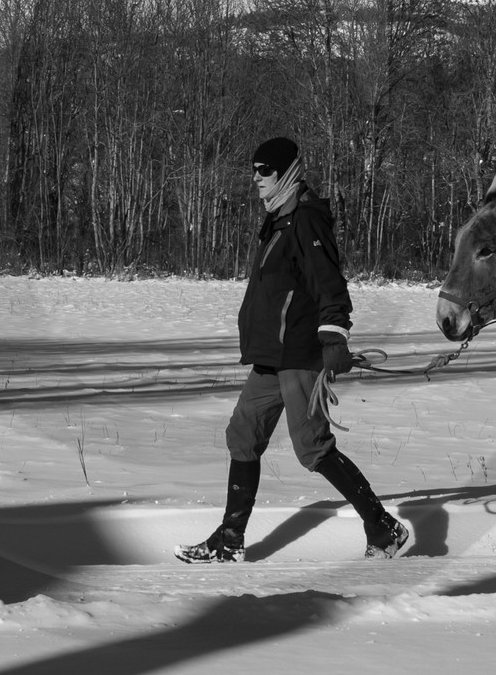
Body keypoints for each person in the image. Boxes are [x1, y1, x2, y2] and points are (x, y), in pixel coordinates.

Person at [177, 136, 412, 563]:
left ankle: (384, 527)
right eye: (254, 170)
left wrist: (335, 335)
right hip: (272, 354)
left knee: (312, 449)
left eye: (264, 170)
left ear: (286, 172)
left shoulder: (305, 220)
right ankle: (229, 541)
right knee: (242, 434)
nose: (257, 179)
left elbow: (329, 282)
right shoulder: (278, 220)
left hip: (300, 352)